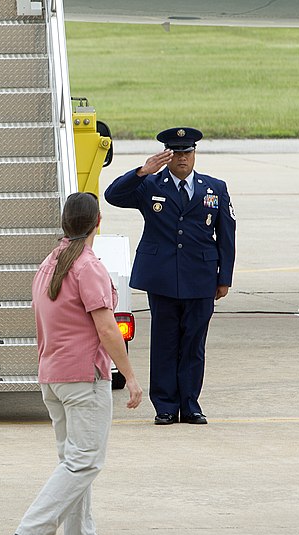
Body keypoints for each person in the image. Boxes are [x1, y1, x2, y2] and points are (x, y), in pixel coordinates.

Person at [13, 192, 143, 535]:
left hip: (52, 376)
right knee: (84, 461)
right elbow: (106, 328)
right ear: (97, 221)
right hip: (83, 378)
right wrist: (130, 377)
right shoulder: (88, 266)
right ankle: (34, 530)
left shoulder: (48, 264)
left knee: (72, 462)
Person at [104, 127, 236, 426]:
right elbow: (112, 195)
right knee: (164, 343)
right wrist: (142, 171)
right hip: (162, 277)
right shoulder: (150, 185)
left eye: (186, 153)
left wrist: (224, 277)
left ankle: (190, 404)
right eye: (175, 153)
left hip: (201, 276)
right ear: (166, 155)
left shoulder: (214, 188)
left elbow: (227, 234)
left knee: (193, 343)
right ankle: (164, 406)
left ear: (194, 154)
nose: (182, 159)